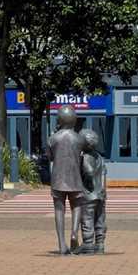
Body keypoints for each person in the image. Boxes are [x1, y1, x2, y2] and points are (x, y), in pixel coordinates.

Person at [46, 105, 82, 255]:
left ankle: (61, 243)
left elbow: (50, 157)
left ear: (59, 119)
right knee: (77, 206)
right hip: (75, 178)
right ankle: (74, 232)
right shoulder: (79, 138)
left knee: (59, 210)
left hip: (58, 179)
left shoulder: (53, 138)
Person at [77, 128, 107, 255]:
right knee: (100, 219)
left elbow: (88, 172)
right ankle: (100, 243)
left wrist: (87, 184)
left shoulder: (85, 157)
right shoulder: (99, 156)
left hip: (89, 194)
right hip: (101, 193)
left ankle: (88, 243)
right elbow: (104, 172)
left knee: (87, 218)